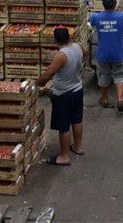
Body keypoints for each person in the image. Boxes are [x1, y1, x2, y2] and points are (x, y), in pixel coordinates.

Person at [37, 26, 88, 166]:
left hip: (64, 95)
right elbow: (86, 52)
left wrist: (36, 84)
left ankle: (64, 156)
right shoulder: (78, 47)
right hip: (77, 89)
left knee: (63, 125)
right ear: (69, 37)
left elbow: (48, 74)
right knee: (77, 120)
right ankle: (78, 147)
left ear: (55, 40)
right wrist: (80, 65)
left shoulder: (61, 55)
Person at [89, 0, 123, 112]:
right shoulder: (122, 16)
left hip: (103, 54)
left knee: (103, 75)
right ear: (115, 3)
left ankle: (105, 99)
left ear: (103, 4)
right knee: (119, 75)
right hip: (118, 53)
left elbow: (90, 23)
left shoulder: (96, 17)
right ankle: (120, 99)